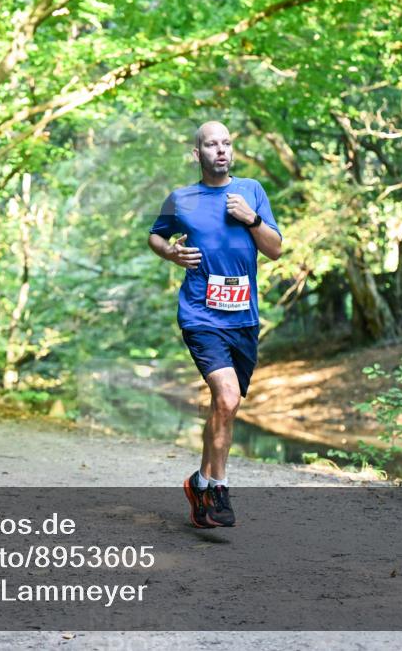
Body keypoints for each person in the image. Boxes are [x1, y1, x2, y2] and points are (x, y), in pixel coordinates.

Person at [148, 121, 282, 528]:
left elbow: (275, 249)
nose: (220, 150)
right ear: (197, 154)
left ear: (232, 150)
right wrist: (171, 254)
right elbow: (156, 236)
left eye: (226, 143)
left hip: (243, 318)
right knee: (227, 399)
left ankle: (200, 484)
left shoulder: (252, 191)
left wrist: (251, 218)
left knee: (223, 407)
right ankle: (219, 489)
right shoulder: (181, 199)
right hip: (201, 315)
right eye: (211, 144)